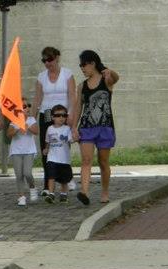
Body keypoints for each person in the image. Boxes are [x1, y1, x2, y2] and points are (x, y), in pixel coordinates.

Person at [74, 50, 119, 205]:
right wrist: (74, 128)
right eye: (80, 65)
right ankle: (84, 192)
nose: (82, 68)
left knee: (103, 161)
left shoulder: (107, 80)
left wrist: (111, 71)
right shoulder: (81, 87)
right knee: (86, 160)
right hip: (86, 128)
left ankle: (105, 192)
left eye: (83, 64)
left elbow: (117, 79)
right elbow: (77, 108)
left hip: (105, 127)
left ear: (92, 63)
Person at [33, 46, 77, 194]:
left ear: (57, 57)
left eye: (50, 59)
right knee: (46, 148)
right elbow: (37, 99)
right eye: (44, 60)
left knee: (62, 147)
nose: (47, 63)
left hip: (62, 114)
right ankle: (47, 185)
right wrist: (31, 119)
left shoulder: (67, 74)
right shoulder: (41, 77)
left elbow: (72, 96)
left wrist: (70, 115)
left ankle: (66, 179)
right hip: (46, 113)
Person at [7, 99, 39, 205]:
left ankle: (33, 187)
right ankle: (21, 197)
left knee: (27, 173)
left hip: (29, 150)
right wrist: (17, 129)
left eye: (28, 106)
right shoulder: (14, 120)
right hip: (16, 151)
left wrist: (27, 127)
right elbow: (9, 134)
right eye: (24, 106)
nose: (27, 108)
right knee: (19, 175)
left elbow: (36, 131)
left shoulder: (31, 120)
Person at [42, 103, 73, 204]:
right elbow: (48, 141)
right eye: (58, 115)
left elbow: (71, 140)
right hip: (52, 157)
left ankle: (63, 194)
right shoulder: (49, 129)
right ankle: (51, 193)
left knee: (64, 179)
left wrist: (72, 138)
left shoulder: (67, 129)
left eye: (64, 115)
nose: (61, 118)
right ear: (52, 117)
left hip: (64, 159)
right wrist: (46, 149)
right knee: (51, 176)